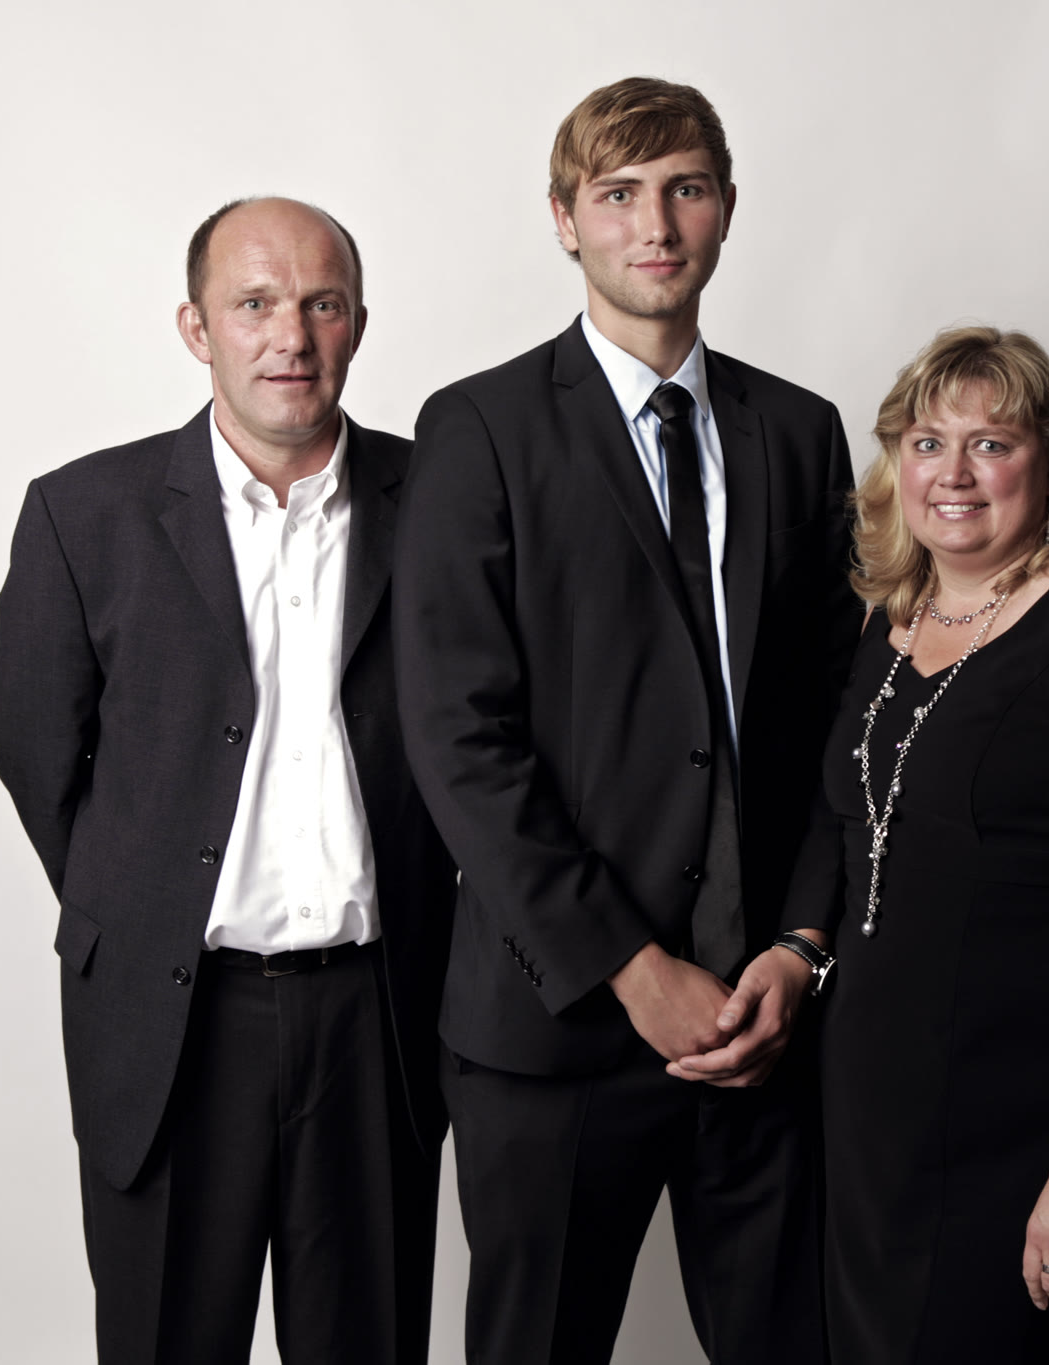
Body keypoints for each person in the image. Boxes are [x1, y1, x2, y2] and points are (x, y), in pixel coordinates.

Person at [393, 77, 857, 1364]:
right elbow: (457, 736)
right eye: (617, 194)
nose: (654, 225)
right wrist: (630, 967)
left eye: (684, 189)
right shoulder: (479, 429)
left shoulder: (799, 433)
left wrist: (801, 945)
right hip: (554, 1032)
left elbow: (840, 722)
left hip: (764, 1026)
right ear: (564, 219)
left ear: (724, 210)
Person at [0, 197, 454, 1364]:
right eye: (254, 304)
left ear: (357, 326)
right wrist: (145, 900)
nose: (289, 336)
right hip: (171, 1021)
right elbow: (37, 756)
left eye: (320, 304)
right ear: (195, 328)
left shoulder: (444, 501)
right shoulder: (82, 515)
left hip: (379, 1016)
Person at [804, 326, 1049, 1362]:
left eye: (991, 443)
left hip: (1026, 1114)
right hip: (874, 1111)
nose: (953, 473)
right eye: (926, 442)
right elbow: (855, 842)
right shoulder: (888, 620)